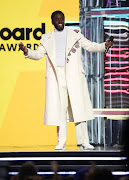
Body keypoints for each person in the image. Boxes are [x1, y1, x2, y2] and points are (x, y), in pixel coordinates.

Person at [19, 10, 113, 150]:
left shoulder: (74, 34)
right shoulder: (46, 38)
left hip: (74, 75)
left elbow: (90, 45)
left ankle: (84, 141)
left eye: (61, 18)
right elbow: (38, 54)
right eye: (57, 19)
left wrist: (103, 46)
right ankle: (61, 142)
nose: (60, 21)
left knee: (78, 108)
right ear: (52, 21)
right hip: (57, 76)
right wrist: (27, 52)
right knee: (60, 109)